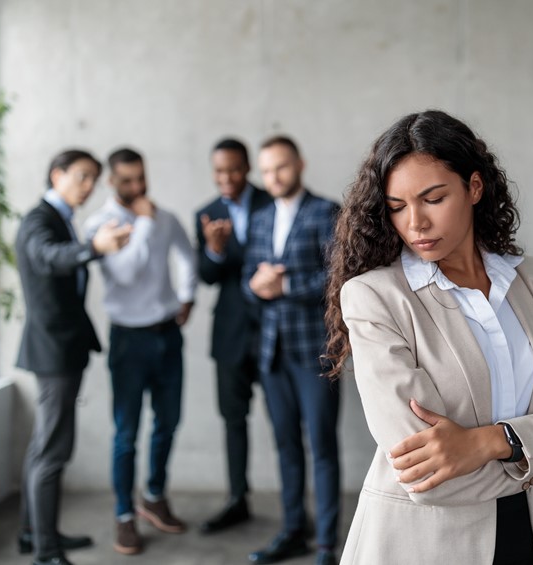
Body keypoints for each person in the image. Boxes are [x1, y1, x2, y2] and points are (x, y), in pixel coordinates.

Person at [323, 110, 533, 565]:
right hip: (425, 546)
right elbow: (428, 475)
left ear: (475, 188)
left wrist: (489, 442)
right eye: (398, 206)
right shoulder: (374, 297)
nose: (416, 223)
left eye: (433, 198)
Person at [16, 149, 132, 565]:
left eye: (93, 179)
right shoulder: (39, 220)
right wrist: (93, 247)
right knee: (53, 451)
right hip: (53, 353)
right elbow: (50, 257)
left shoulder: (60, 217)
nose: (88, 187)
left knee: (43, 447)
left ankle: (35, 534)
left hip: (61, 349)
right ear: (57, 175)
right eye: (82, 177)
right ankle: (46, 551)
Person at [83, 148, 197, 555]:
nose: (137, 186)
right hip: (128, 341)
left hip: (168, 335)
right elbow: (127, 272)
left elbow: (186, 255)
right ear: (112, 182)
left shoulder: (165, 217)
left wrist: (187, 297)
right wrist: (145, 222)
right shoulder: (100, 225)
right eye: (128, 180)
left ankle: (153, 496)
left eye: (141, 178)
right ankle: (123, 515)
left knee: (168, 422)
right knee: (126, 433)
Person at [242, 136, 341, 565]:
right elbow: (250, 278)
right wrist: (255, 286)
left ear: (299, 164)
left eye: (280, 167)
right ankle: (292, 531)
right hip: (272, 353)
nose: (273, 177)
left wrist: (284, 286)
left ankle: (325, 544)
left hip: (315, 350)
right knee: (285, 446)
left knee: (321, 446)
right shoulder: (261, 218)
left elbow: (340, 278)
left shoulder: (326, 212)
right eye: (265, 171)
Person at [194, 138, 273, 533]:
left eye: (233, 170)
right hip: (229, 336)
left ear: (247, 168)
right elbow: (206, 277)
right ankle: (236, 498)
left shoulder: (272, 202)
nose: (226, 178)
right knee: (233, 420)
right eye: (219, 171)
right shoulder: (206, 214)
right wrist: (214, 251)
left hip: (275, 332)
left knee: (285, 423)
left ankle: (295, 508)